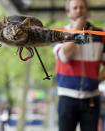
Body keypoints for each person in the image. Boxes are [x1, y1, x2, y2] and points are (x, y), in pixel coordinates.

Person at [52, 0, 105, 131]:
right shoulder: (58, 33)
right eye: (74, 8)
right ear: (68, 13)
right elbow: (64, 56)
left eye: (82, 7)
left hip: (91, 98)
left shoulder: (100, 35)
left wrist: (97, 79)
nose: (79, 10)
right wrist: (77, 29)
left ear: (87, 11)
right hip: (67, 97)